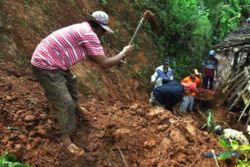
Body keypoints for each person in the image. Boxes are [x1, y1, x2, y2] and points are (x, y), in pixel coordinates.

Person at [31, 11, 133, 156]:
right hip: (46, 65)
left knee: (72, 81)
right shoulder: (89, 34)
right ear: (98, 28)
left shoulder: (83, 28)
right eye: (103, 32)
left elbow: (93, 57)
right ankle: (66, 139)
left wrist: (117, 58)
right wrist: (123, 53)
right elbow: (104, 63)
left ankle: (76, 110)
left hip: (56, 63)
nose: (102, 35)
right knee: (65, 103)